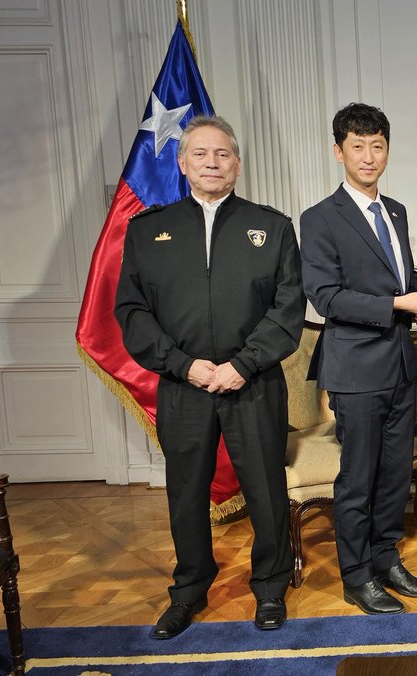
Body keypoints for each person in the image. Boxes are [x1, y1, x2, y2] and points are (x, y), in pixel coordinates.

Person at [115, 115, 305, 638]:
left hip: (254, 383)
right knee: (186, 494)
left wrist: (243, 364)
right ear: (182, 163)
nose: (212, 163)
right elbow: (132, 311)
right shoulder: (147, 231)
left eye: (222, 154)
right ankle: (189, 590)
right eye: (200, 154)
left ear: (237, 164)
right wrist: (183, 365)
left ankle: (270, 587)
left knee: (265, 490)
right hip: (184, 386)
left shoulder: (272, 227)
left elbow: (288, 308)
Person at [299, 103, 417, 615]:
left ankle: (385, 558)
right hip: (356, 369)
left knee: (394, 474)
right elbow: (326, 297)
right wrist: (396, 305)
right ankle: (357, 575)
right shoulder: (320, 218)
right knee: (358, 478)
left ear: (387, 151)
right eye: (357, 146)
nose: (368, 156)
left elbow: (393, 282)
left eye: (377, 145)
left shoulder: (396, 211)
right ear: (338, 152)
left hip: (400, 363)